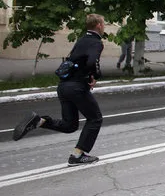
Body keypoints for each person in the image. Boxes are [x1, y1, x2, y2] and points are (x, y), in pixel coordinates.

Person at [12, 13, 106, 166]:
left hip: (63, 87)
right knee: (95, 119)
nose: (104, 26)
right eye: (104, 24)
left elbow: (76, 62)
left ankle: (40, 121)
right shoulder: (96, 42)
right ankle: (77, 155)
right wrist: (96, 76)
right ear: (99, 25)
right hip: (76, 88)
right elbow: (91, 62)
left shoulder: (81, 40)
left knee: (70, 125)